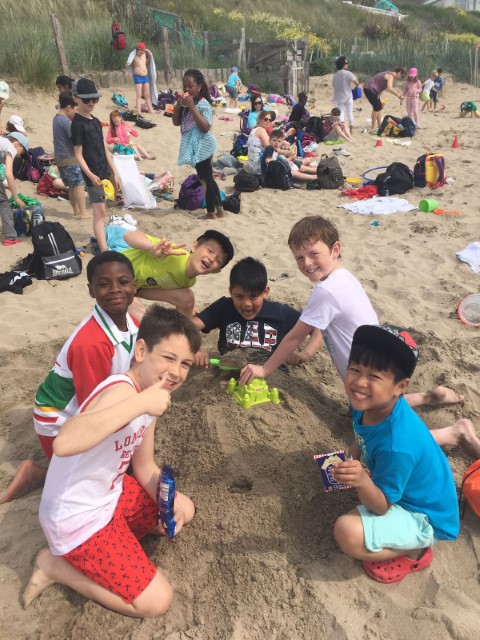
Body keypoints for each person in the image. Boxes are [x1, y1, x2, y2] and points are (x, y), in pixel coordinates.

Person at [239, 215, 480, 454]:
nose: (307, 263)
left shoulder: (326, 291)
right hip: (381, 367)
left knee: (383, 439)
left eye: (313, 254)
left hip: (370, 377)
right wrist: (308, 353)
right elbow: (323, 325)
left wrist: (265, 369)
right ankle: (428, 397)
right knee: (376, 409)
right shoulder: (342, 277)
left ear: (335, 249)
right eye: (299, 258)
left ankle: (454, 433)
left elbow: (294, 336)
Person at [23, 305, 200, 617]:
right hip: (76, 518)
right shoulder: (123, 391)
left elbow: (144, 467)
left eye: (185, 363)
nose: (176, 371)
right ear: (141, 351)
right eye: (168, 358)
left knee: (184, 509)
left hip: (110, 494)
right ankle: (54, 566)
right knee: (156, 601)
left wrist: (168, 504)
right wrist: (141, 403)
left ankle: (121, 535)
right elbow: (64, 442)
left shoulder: (149, 395)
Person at [0, 251, 139, 504]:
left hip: (92, 403)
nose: (115, 290)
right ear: (91, 290)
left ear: (134, 285)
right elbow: (91, 409)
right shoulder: (91, 343)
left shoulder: (132, 323)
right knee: (95, 483)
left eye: (123, 282)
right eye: (104, 284)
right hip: (59, 418)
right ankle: (39, 474)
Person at [332, 324, 459, 583]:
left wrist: (362, 481)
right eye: (355, 369)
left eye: (374, 376)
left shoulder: (397, 445)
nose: (359, 382)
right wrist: (350, 460)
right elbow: (361, 434)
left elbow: (381, 507)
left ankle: (416, 550)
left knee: (347, 532)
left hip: (425, 515)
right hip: (406, 488)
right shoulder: (366, 402)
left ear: (400, 387)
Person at [192, 257, 323, 366]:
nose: (247, 303)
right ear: (231, 291)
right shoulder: (224, 307)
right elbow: (189, 327)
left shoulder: (280, 312)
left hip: (271, 373)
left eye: (254, 297)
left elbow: (318, 328)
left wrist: (305, 354)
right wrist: (196, 349)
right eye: (239, 296)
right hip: (229, 370)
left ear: (265, 292)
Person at [106, 227, 234, 319]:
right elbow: (128, 236)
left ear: (217, 271)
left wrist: (188, 311)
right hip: (113, 271)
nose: (211, 258)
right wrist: (151, 248)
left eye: (218, 260)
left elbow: (151, 287)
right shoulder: (172, 253)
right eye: (210, 251)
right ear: (194, 246)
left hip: (132, 287)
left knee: (187, 297)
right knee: (143, 320)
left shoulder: (189, 281)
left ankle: (182, 329)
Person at [71, 77, 121, 252]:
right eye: (86, 99)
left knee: (104, 208)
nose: (91, 103)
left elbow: (104, 149)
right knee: (99, 211)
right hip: (92, 174)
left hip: (104, 171)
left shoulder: (96, 121)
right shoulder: (77, 124)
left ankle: (103, 240)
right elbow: (78, 155)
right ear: (76, 98)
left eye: (94, 99)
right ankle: (104, 249)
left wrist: (115, 172)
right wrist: (90, 175)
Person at [173, 69, 225, 220]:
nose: (187, 89)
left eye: (191, 86)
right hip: (196, 147)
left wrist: (192, 107)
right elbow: (176, 122)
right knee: (208, 178)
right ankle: (220, 210)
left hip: (204, 146)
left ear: (200, 86)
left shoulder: (203, 104)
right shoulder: (186, 104)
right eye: (185, 86)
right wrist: (178, 107)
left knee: (205, 180)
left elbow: (205, 127)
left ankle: (211, 212)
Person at [53, 91, 88, 219]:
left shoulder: (56, 118)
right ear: (69, 107)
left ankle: (76, 211)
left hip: (60, 157)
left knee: (72, 186)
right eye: (75, 109)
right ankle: (83, 212)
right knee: (79, 185)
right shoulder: (66, 121)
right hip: (70, 158)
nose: (75, 112)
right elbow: (74, 138)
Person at [0, 131, 28, 246]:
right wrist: (16, 197)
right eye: (22, 151)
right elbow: (8, 174)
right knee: (4, 203)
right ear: (17, 144)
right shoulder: (10, 147)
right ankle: (10, 238)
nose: (20, 155)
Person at [363, 67, 406, 132]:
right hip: (369, 89)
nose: (401, 78)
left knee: (379, 106)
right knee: (376, 107)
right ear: (399, 72)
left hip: (372, 90)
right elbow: (390, 88)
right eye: (402, 76)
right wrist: (399, 96)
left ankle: (379, 126)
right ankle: (372, 128)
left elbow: (381, 87)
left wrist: (378, 98)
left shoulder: (389, 74)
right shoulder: (390, 76)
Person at [126, 42, 156, 115]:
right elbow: (128, 64)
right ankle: (139, 111)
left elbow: (145, 63)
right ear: (137, 50)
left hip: (145, 76)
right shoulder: (134, 56)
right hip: (138, 76)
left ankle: (150, 109)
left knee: (147, 95)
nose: (141, 53)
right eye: (140, 52)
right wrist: (127, 64)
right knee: (139, 94)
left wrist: (149, 57)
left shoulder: (144, 55)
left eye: (143, 52)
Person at [332, 57, 359, 131]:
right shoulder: (348, 73)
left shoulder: (335, 75)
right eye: (346, 63)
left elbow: (334, 85)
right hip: (348, 96)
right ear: (343, 65)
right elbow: (357, 82)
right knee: (350, 113)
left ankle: (343, 129)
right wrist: (356, 88)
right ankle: (351, 131)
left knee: (341, 114)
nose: (347, 64)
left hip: (339, 97)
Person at [246, 110, 275, 175]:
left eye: (270, 120)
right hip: (259, 167)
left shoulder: (255, 129)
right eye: (265, 119)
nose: (268, 121)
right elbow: (271, 148)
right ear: (259, 120)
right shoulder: (261, 130)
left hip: (252, 165)